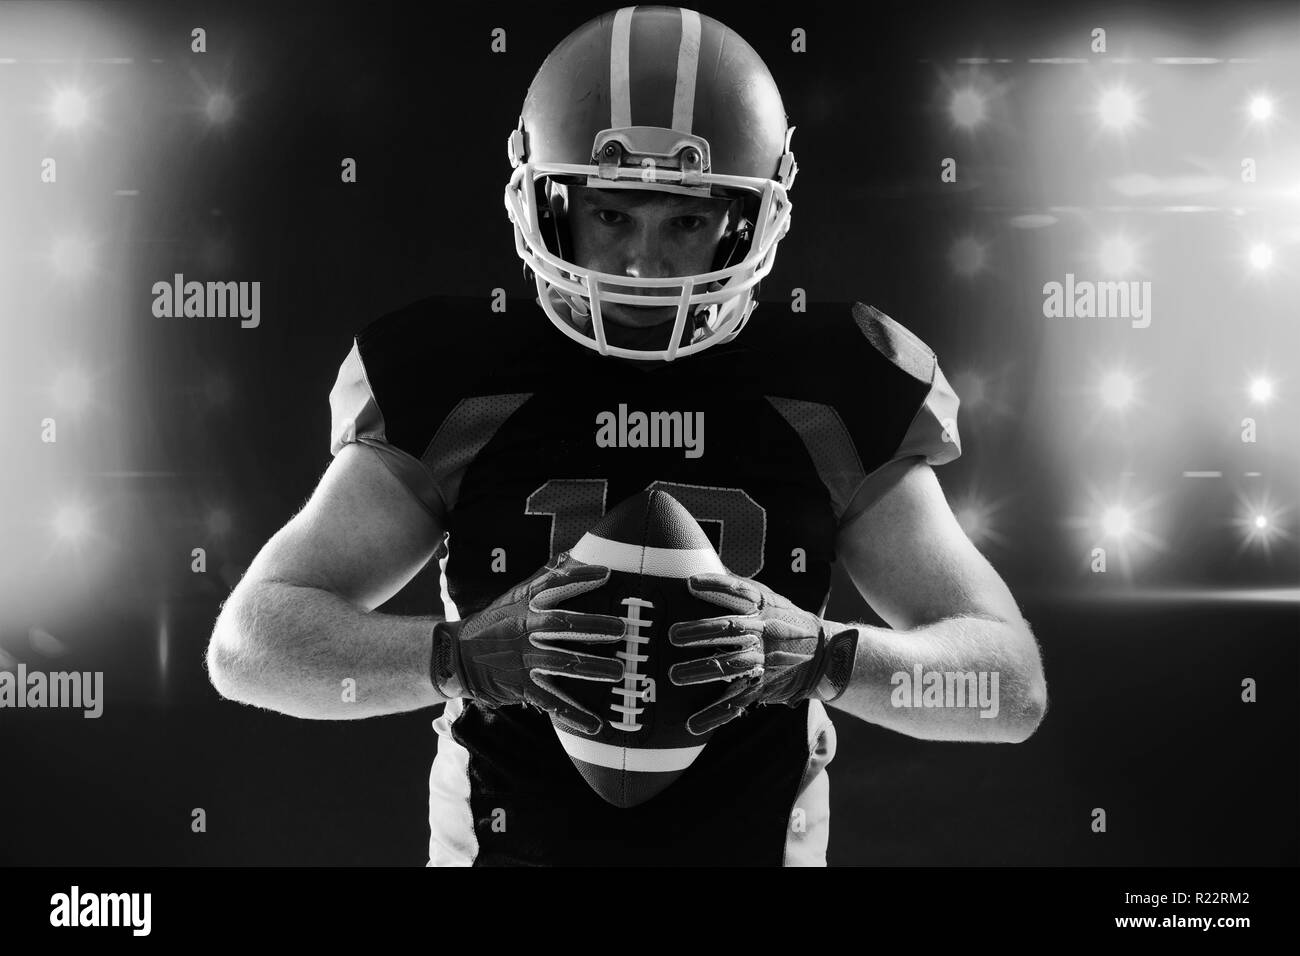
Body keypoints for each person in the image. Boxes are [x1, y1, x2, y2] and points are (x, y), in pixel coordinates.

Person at [206, 6, 1047, 866]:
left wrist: (823, 657)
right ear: (544, 198)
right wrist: (460, 657)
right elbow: (251, 647)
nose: (644, 266)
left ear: (755, 217)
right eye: (612, 216)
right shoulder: (455, 378)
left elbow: (1009, 688)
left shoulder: (834, 388)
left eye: (685, 222)